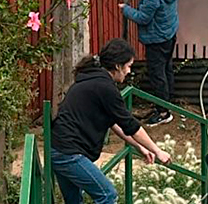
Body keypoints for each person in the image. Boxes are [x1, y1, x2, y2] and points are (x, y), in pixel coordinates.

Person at [51, 38, 173, 204]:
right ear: (117, 66)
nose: (129, 71)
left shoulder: (92, 80)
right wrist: (158, 151)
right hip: (69, 152)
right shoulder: (104, 87)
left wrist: (141, 147)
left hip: (58, 148)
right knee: (107, 195)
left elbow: (115, 123)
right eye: (128, 66)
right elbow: (131, 125)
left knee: (74, 201)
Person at [119, 0, 180, 127]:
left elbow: (143, 18)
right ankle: (168, 104)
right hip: (169, 34)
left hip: (156, 39)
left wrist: (126, 9)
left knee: (157, 74)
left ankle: (163, 112)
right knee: (167, 69)